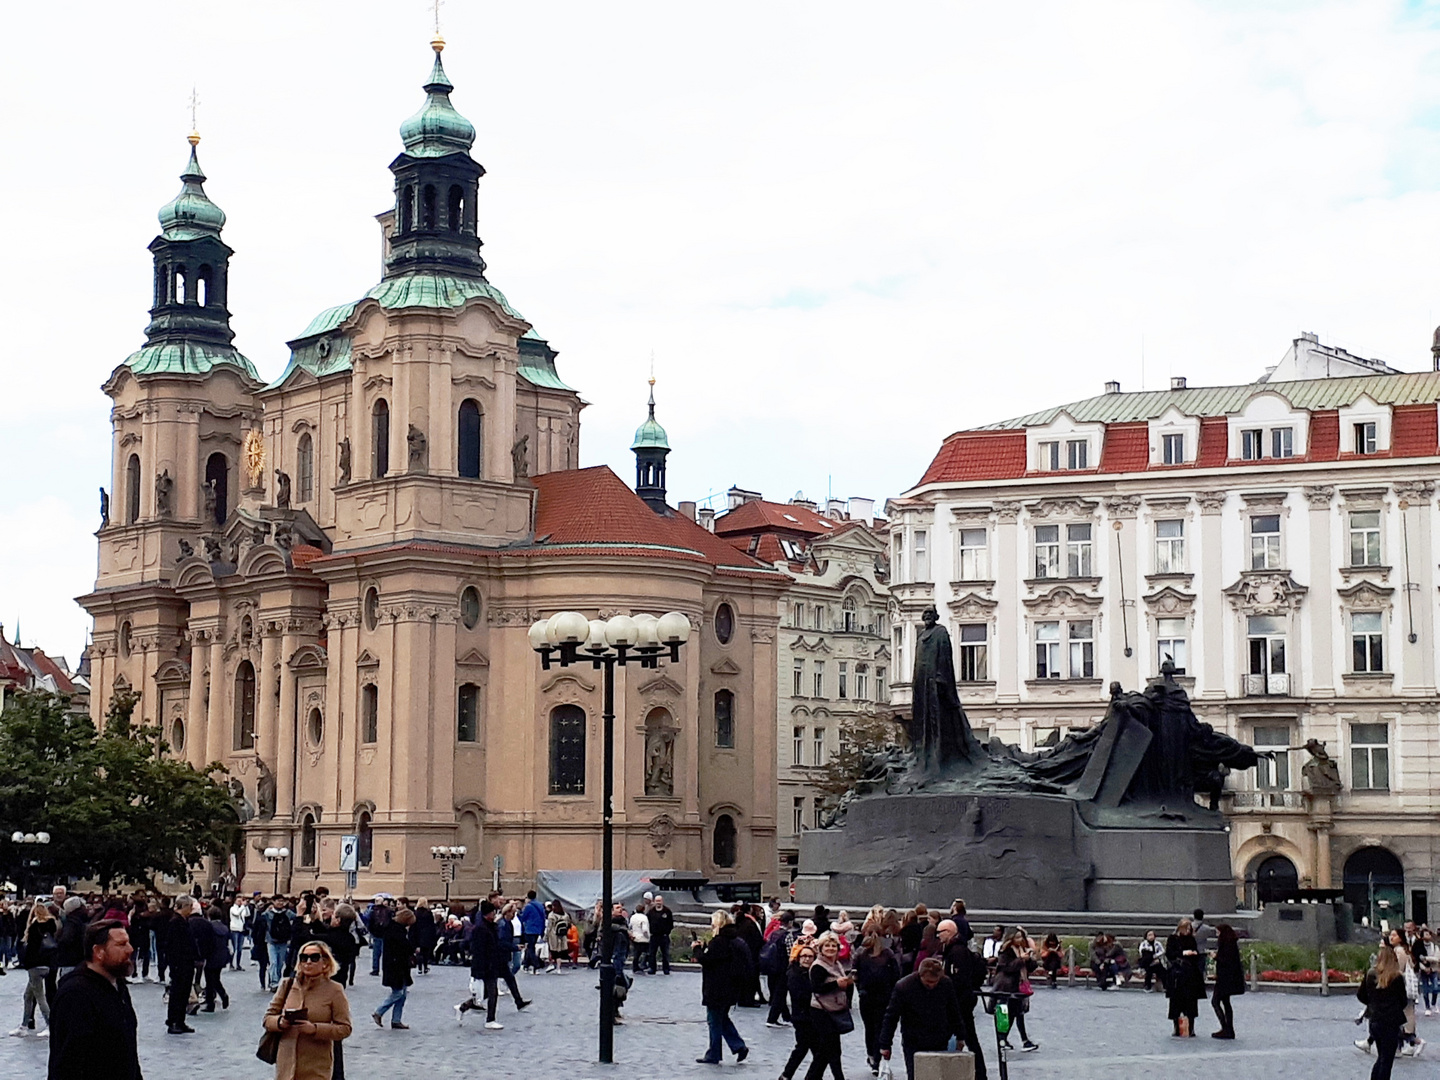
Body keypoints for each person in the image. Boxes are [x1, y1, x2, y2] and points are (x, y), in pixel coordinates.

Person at [46, 919, 140, 1080]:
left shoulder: (118, 985)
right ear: (98, 952)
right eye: (121, 944)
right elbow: (68, 1062)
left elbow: (128, 1052)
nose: (130, 950)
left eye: (128, 943)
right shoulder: (76, 994)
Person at [264, 939, 352, 1080]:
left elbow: (344, 1028)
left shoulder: (335, 990)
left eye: (314, 957)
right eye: (304, 958)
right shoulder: (287, 985)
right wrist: (280, 1022)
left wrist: (315, 1029)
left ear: (325, 962)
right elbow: (268, 1018)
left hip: (316, 1065)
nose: (308, 962)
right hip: (286, 1064)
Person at [879, 957, 966, 1080]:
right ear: (920, 976)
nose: (932, 985)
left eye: (935, 982)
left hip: (939, 1037)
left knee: (937, 1074)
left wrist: (960, 1036)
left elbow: (954, 1011)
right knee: (915, 1075)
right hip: (914, 1039)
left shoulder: (945, 984)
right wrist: (885, 1044)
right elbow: (891, 1017)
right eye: (928, 982)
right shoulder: (904, 987)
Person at [455, 901, 530, 1028]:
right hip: (486, 964)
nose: (494, 914)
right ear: (487, 914)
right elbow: (479, 949)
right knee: (492, 992)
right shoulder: (481, 929)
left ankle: (463, 1007)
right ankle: (490, 1020)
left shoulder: (491, 926)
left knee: (486, 993)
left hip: (493, 962)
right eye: (492, 912)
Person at [695, 910, 749, 1065]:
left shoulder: (719, 941)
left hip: (717, 988)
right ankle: (738, 1046)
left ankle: (714, 1053)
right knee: (722, 1019)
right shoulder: (734, 939)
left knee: (714, 1021)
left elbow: (707, 960)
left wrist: (697, 950)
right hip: (730, 987)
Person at [936, 919, 988, 1077]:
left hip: (960, 1002)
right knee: (966, 1036)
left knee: (967, 1036)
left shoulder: (957, 951)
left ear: (949, 932)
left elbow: (960, 979)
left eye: (940, 933)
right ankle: (976, 1071)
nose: (938, 936)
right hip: (960, 1001)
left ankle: (978, 1072)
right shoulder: (952, 949)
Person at [806, 932, 854, 1080]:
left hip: (834, 1008)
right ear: (821, 948)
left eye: (833, 945)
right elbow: (816, 987)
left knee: (828, 1050)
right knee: (829, 1048)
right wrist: (836, 984)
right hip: (821, 1011)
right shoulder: (818, 966)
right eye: (827, 945)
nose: (830, 948)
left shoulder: (837, 963)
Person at [1358, 945, 1409, 1080]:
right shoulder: (1396, 977)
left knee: (1381, 1057)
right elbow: (1403, 1000)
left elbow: (1361, 995)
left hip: (1375, 1020)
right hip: (1390, 1021)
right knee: (1386, 1061)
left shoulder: (1370, 974)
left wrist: (1372, 1003)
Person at [855, 930, 902, 1074]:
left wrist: (860, 988)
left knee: (870, 1028)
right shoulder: (888, 954)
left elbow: (855, 974)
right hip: (883, 996)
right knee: (880, 1027)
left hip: (868, 996)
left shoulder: (861, 954)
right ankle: (877, 1057)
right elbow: (896, 974)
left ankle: (872, 1056)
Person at [11, 900, 58, 1038]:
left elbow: (31, 949)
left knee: (39, 996)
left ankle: (50, 1024)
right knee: (28, 995)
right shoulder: (52, 925)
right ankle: (24, 1025)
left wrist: (25, 963)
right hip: (48, 964)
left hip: (35, 966)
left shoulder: (34, 927)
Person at [992, 929, 1038, 1052]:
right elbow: (1006, 968)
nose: (1020, 940)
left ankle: (1019, 1040)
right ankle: (1009, 1039)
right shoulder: (1005, 951)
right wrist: (1020, 959)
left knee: (1017, 1013)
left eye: (1021, 937)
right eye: (1017, 937)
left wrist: (1029, 959)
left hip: (1018, 985)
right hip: (1006, 986)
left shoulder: (1022, 950)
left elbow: (1030, 968)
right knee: (1005, 1014)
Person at [372, 907, 415, 1029]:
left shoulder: (394, 928)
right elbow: (403, 947)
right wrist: (412, 949)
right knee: (398, 993)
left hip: (400, 966)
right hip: (395, 966)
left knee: (403, 994)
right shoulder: (395, 931)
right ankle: (379, 1012)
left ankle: (396, 1020)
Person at [781, 943, 820, 1080]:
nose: (807, 959)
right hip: (802, 1017)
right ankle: (788, 1075)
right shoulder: (795, 973)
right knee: (808, 1049)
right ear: (798, 958)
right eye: (804, 956)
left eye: (810, 956)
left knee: (810, 1050)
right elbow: (800, 995)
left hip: (812, 1017)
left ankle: (788, 1075)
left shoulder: (813, 972)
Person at [164, 895, 199, 1035]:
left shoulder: (184, 921)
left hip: (187, 963)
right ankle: (173, 1021)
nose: (191, 910)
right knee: (177, 993)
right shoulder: (175, 922)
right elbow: (172, 946)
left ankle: (180, 1021)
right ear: (183, 907)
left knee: (184, 993)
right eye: (189, 907)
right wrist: (175, 964)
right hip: (179, 964)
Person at [1165, 917, 1205, 1037]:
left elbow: (1196, 953)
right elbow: (1169, 954)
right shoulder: (1173, 939)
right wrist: (1182, 953)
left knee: (1191, 1002)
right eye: (1186, 928)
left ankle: (1191, 1028)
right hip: (1177, 973)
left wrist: (1193, 954)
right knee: (1176, 1002)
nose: (1188, 931)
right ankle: (1176, 1027)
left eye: (1189, 928)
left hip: (1190, 973)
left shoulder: (1191, 939)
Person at [1209, 924, 1244, 1039]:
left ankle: (1226, 1027)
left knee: (1215, 1001)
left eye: (1218, 932)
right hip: (1228, 978)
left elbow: (1226, 960)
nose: (1217, 935)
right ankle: (1229, 1028)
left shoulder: (1227, 944)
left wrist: (1215, 957)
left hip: (1225, 978)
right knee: (1225, 1002)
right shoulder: (1231, 943)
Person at [765, 911, 796, 1027]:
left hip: (772, 966)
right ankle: (772, 1018)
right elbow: (790, 953)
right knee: (780, 993)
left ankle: (786, 1017)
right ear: (790, 922)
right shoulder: (787, 935)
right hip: (783, 967)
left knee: (778, 992)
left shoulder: (774, 933)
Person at [202, 904, 231, 1010]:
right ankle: (221, 997)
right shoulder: (224, 927)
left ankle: (212, 1002)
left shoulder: (209, 927)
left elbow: (207, 942)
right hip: (222, 955)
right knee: (215, 978)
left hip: (211, 955)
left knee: (210, 979)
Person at [54, 897, 89, 981]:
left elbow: (65, 939)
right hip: (76, 960)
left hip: (70, 961)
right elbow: (66, 939)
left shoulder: (72, 921)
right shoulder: (77, 921)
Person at [518, 891, 546, 974]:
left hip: (529, 929)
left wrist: (519, 911)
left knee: (530, 948)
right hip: (538, 929)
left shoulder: (528, 906)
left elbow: (523, 917)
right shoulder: (540, 905)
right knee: (531, 946)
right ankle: (526, 964)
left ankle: (536, 965)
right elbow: (543, 917)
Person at [647, 894, 675, 975]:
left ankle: (666, 969)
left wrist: (667, 932)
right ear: (654, 902)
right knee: (652, 953)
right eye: (657, 901)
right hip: (654, 936)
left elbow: (671, 923)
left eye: (659, 901)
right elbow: (647, 922)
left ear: (662, 901)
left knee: (665, 954)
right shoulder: (651, 912)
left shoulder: (667, 911)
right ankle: (652, 968)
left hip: (664, 936)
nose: (658, 903)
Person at [1418, 927, 1439, 1015]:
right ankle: (1427, 1007)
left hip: (1433, 969)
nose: (1428, 936)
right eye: (1426, 934)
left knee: (1435, 988)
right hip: (1423, 970)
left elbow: (1437, 958)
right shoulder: (1419, 947)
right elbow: (1417, 959)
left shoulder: (1434, 946)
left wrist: (1426, 958)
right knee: (1425, 989)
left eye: (1429, 934)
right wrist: (1424, 968)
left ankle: (1434, 1003)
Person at [625, 902, 649, 975]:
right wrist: (648, 936)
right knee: (645, 953)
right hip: (643, 938)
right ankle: (642, 965)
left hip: (635, 937)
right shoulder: (644, 918)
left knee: (636, 953)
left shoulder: (633, 917)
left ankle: (635, 966)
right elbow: (644, 929)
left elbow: (630, 926)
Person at [228, 895, 250, 971]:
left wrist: (246, 906)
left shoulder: (242, 908)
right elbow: (237, 914)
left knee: (240, 949)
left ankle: (238, 964)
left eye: (241, 901)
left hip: (241, 929)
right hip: (234, 929)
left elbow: (247, 914)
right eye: (238, 901)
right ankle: (231, 964)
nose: (240, 902)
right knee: (234, 948)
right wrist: (243, 907)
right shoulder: (232, 908)